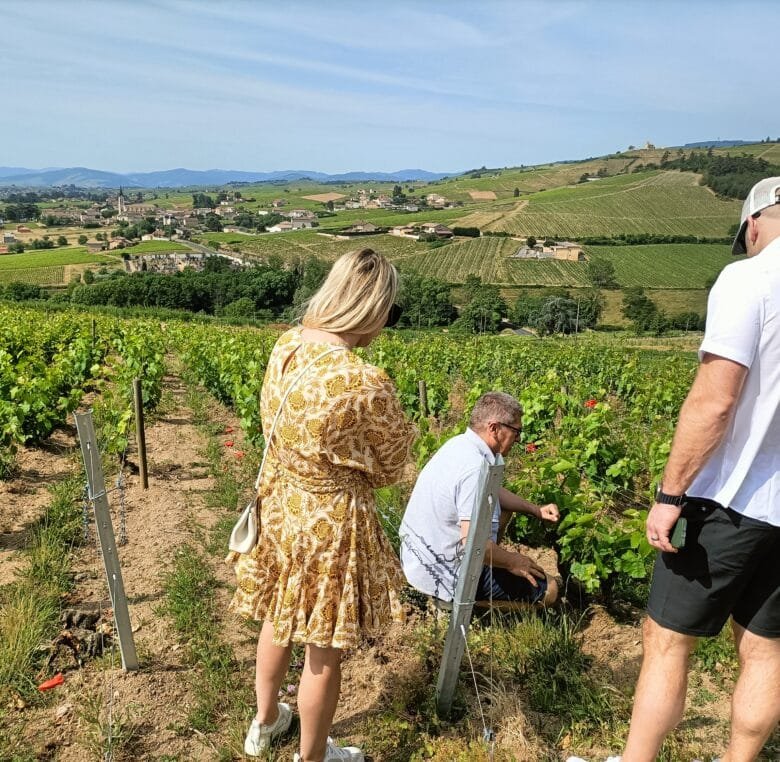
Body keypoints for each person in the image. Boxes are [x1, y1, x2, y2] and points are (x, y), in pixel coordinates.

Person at [569, 178, 780, 762]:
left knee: (666, 642)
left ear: (755, 222)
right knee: (767, 651)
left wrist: (670, 493)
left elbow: (714, 402)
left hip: (729, 500)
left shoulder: (751, 279)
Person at [228, 248, 416, 762]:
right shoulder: (364, 380)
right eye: (389, 312)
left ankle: (265, 723)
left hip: (282, 505)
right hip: (331, 523)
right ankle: (312, 758)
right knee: (324, 650)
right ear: (372, 308)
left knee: (278, 617)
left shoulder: (286, 347)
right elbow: (394, 463)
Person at [400, 391, 559, 608]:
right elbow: (474, 545)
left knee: (505, 510)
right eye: (516, 431)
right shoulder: (475, 469)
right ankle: (462, 604)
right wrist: (513, 561)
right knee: (550, 590)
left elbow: (492, 491)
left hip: (420, 558)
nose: (518, 439)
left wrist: (534, 509)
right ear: (494, 428)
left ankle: (490, 572)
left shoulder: (459, 445)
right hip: (445, 572)